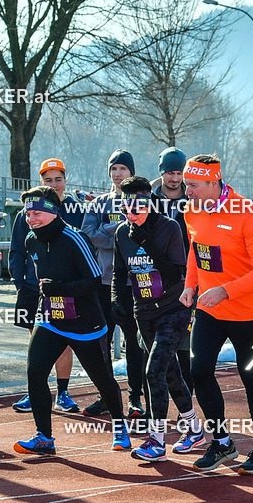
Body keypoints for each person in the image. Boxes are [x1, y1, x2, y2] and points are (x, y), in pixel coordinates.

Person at [13, 186, 130, 456]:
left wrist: (59, 288)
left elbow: (93, 280)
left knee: (103, 379)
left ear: (54, 212)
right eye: (28, 213)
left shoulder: (74, 238)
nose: (32, 218)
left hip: (84, 323)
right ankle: (44, 437)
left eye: (38, 213)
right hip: (50, 319)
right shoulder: (31, 240)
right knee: (35, 372)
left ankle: (120, 426)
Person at [179, 154, 253, 475]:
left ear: (213, 183)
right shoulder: (191, 210)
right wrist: (190, 285)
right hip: (209, 310)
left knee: (252, 378)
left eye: (193, 185)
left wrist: (226, 290)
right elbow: (196, 252)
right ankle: (222, 441)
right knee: (199, 371)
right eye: (185, 184)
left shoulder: (245, 212)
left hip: (247, 312)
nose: (187, 191)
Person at [110, 176, 203, 461]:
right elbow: (119, 273)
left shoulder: (169, 227)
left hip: (174, 308)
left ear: (149, 202)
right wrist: (116, 300)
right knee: (170, 372)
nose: (132, 211)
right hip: (144, 312)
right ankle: (195, 429)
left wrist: (147, 242)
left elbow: (176, 273)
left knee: (153, 371)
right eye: (126, 205)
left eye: (138, 204)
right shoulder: (121, 233)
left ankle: (157, 441)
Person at [8, 158, 85, 413]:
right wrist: (20, 282)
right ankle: (35, 392)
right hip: (33, 288)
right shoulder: (25, 213)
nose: (55, 184)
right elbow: (17, 249)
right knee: (36, 341)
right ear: (41, 182)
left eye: (58, 179)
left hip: (66, 288)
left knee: (64, 340)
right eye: (48, 180)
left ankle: (63, 393)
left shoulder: (75, 209)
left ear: (65, 180)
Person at [81, 149, 146, 419]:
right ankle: (105, 396)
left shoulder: (142, 202)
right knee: (101, 342)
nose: (118, 174)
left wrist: (111, 233)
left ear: (131, 172)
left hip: (133, 284)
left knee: (134, 342)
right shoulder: (99, 204)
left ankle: (135, 398)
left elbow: (140, 234)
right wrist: (116, 233)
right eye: (114, 169)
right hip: (104, 282)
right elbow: (88, 233)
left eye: (123, 169)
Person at [151, 147, 194, 401]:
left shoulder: (194, 201)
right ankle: (155, 406)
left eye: (179, 173)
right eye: (169, 173)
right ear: (162, 173)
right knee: (155, 348)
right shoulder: (149, 200)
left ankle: (186, 404)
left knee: (184, 348)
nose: (174, 179)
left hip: (186, 281)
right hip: (154, 283)